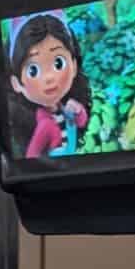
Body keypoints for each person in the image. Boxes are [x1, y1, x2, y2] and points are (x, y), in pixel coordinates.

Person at [5, 12, 92, 159]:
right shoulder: (44, 126)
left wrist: (78, 112)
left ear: (74, 66)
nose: (49, 77)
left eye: (58, 63)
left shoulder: (63, 109)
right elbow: (31, 160)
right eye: (33, 70)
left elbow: (81, 122)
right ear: (16, 83)